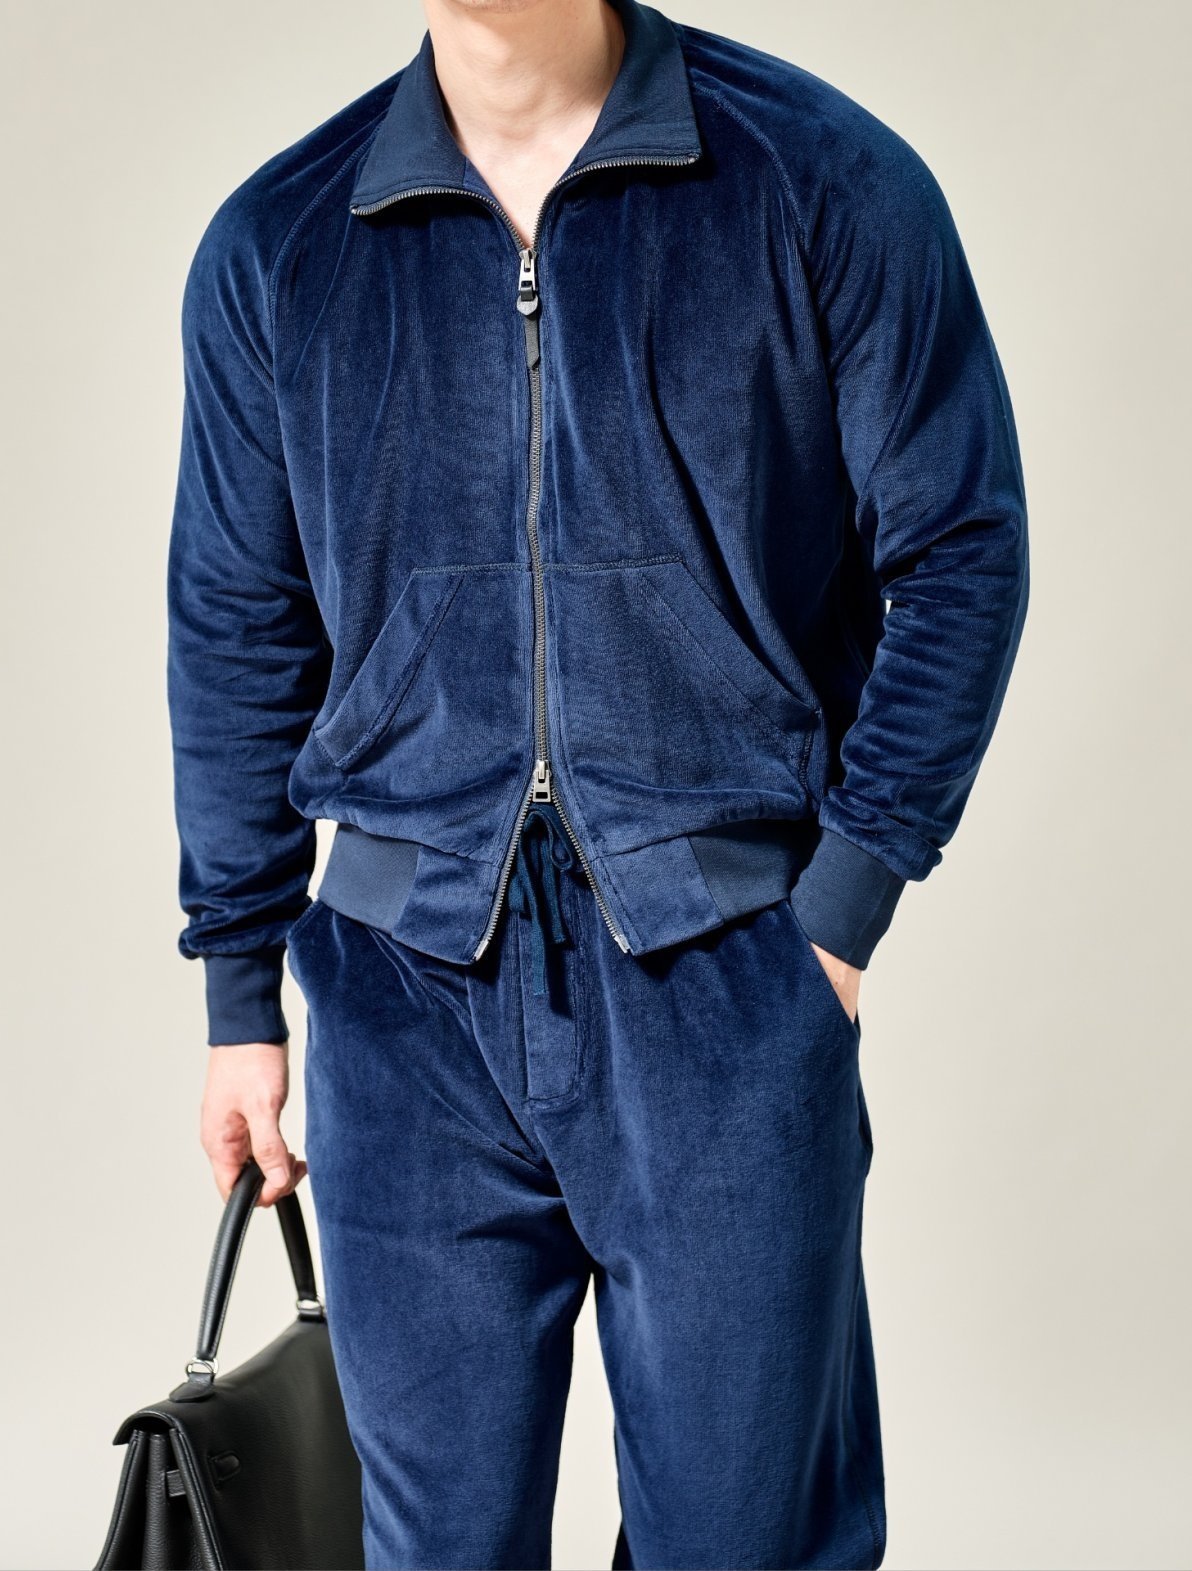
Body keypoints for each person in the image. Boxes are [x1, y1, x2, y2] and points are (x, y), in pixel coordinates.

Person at [165, 0, 1029, 1564]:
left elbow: (964, 550)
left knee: (745, 1543)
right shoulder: (280, 245)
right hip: (404, 999)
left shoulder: (822, 183)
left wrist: (839, 913)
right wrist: (241, 997)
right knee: (434, 1553)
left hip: (723, 982)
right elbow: (237, 625)